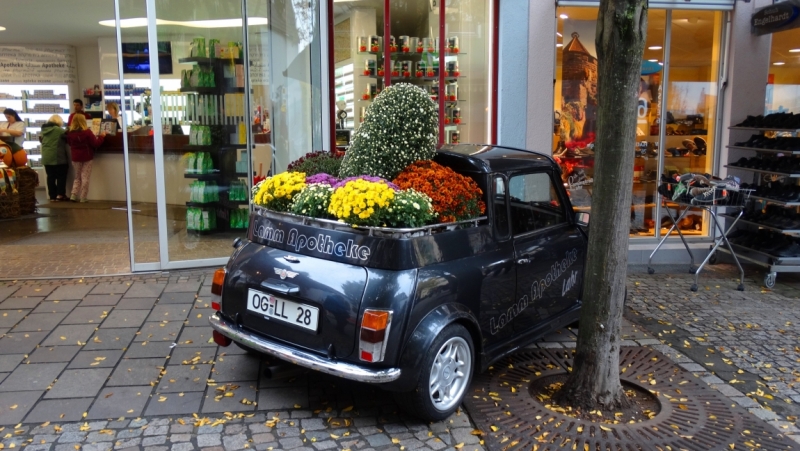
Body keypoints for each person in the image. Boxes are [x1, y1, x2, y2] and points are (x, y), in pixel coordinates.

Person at [65, 115, 105, 202]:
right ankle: (83, 197)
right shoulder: (87, 132)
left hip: (75, 158)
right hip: (87, 157)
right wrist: (102, 136)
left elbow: (69, 143)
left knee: (77, 177)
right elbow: (96, 143)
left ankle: (73, 195)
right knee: (85, 177)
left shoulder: (70, 133)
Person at [40, 114, 70, 202]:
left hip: (46, 157)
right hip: (57, 156)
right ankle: (60, 195)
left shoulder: (43, 130)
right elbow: (68, 136)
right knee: (61, 176)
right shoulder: (58, 130)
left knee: (50, 177)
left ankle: (52, 196)